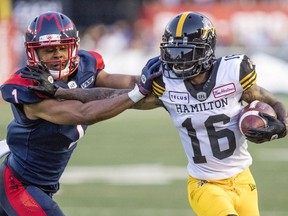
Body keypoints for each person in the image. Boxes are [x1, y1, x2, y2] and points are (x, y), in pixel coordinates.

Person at [24, 12, 288, 216]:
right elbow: (107, 95)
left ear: (206, 52)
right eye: (173, 52)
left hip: (244, 180)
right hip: (205, 185)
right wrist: (61, 93)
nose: (178, 60)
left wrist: (281, 126)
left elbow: (273, 102)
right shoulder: (168, 87)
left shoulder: (234, 75)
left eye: (186, 53)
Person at [0, 11, 161, 216]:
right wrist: (139, 92)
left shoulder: (86, 66)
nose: (57, 55)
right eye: (48, 50)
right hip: (19, 184)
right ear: (34, 54)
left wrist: (166, 90)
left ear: (73, 48)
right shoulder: (28, 87)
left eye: (62, 48)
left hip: (40, 184)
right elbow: (82, 112)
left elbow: (126, 85)